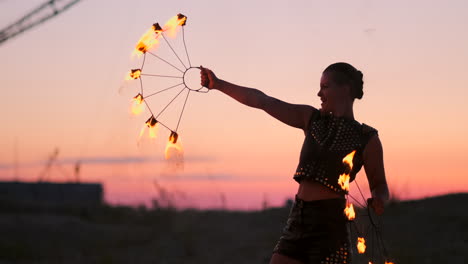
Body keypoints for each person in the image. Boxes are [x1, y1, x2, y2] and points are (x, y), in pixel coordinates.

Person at [200, 62, 389, 264]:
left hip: (330, 227)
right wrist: (218, 84)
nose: (319, 93)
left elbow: (380, 185)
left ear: (345, 89)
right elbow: (262, 100)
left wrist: (379, 199)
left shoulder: (366, 138)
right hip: (298, 220)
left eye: (325, 87)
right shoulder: (311, 119)